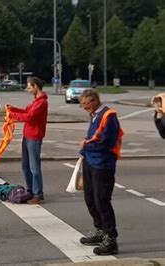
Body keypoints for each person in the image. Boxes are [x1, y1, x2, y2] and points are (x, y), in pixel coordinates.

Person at [78, 89, 123, 256]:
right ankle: (100, 230)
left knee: (102, 200)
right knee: (90, 199)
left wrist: (85, 146)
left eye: (85, 103)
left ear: (95, 100)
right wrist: (85, 152)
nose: (83, 107)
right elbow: (94, 138)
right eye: (81, 104)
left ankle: (111, 238)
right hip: (91, 161)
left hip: (103, 164)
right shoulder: (95, 115)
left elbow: (106, 143)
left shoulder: (108, 116)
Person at [7, 77, 48, 204]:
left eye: (30, 87)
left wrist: (13, 115)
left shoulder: (42, 102)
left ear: (36, 86)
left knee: (34, 167)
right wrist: (13, 108)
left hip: (34, 137)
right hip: (28, 135)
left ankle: (38, 193)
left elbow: (29, 117)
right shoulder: (36, 101)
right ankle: (31, 190)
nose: (28, 90)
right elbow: (26, 111)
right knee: (25, 166)